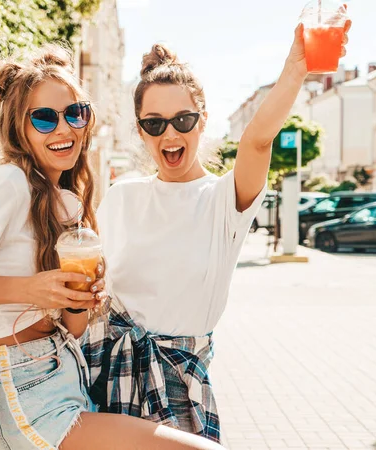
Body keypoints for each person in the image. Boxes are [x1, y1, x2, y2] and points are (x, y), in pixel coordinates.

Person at [0, 44, 224, 450]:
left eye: (76, 113)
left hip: (66, 373)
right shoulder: (6, 185)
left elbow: (71, 325)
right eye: (44, 118)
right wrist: (31, 288)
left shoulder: (64, 200)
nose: (64, 128)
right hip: (27, 393)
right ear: (20, 127)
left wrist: (78, 300)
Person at [83, 20, 351, 443]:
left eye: (183, 119)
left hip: (180, 388)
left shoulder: (223, 199)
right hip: (105, 377)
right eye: (154, 123)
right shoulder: (120, 195)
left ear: (202, 121)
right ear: (140, 130)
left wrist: (295, 70)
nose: (169, 133)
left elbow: (258, 141)